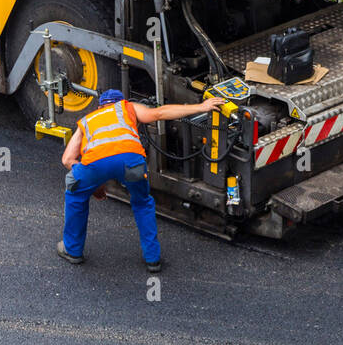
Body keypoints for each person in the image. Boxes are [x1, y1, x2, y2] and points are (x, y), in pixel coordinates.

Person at [58, 89, 222, 270]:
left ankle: (72, 250)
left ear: (100, 107)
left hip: (96, 164)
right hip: (131, 160)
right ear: (121, 101)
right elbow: (158, 113)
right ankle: (152, 258)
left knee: (74, 193)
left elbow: (67, 160)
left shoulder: (87, 120)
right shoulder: (127, 107)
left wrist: (93, 184)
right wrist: (201, 106)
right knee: (142, 203)